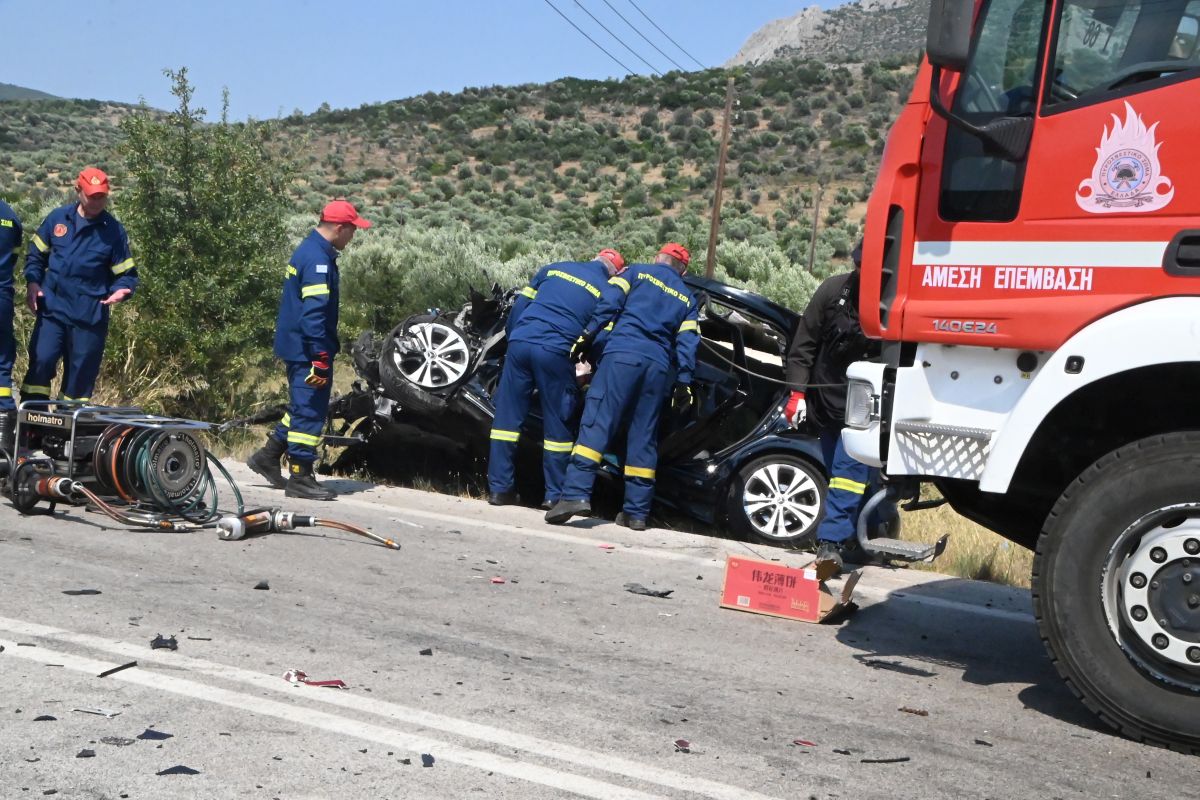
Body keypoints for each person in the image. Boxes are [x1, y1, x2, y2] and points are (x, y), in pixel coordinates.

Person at [545, 243, 699, 531]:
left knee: (598, 420)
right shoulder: (687, 298)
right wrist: (684, 382)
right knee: (643, 435)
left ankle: (575, 495)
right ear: (683, 271)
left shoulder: (636, 273)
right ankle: (636, 513)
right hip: (656, 369)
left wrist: (587, 335)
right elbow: (688, 343)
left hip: (622, 356)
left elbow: (609, 303)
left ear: (657, 258)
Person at [246, 199, 371, 500]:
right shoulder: (317, 260)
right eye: (352, 229)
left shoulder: (310, 250)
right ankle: (300, 476)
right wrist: (320, 356)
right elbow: (313, 314)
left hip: (299, 346)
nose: (353, 235)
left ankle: (268, 455)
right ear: (339, 228)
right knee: (310, 410)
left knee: (304, 405)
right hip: (308, 350)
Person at [487, 248, 627, 508]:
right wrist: (592, 364)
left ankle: (499, 490)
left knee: (506, 422)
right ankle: (554, 496)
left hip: (521, 343)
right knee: (558, 425)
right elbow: (602, 336)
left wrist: (515, 338)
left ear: (595, 258)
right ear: (616, 273)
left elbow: (520, 307)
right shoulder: (608, 289)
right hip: (556, 352)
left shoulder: (555, 267)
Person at [782, 242, 883, 569]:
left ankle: (831, 543)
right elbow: (803, 347)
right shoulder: (832, 291)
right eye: (860, 267)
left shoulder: (893, 299)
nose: (864, 274)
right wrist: (796, 393)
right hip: (826, 400)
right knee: (843, 475)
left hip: (866, 404)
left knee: (847, 473)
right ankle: (866, 539)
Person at [21, 167, 137, 408]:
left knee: (78, 382)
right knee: (41, 362)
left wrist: (122, 290)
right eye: (92, 196)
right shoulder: (57, 219)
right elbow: (35, 256)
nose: (97, 201)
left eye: (101, 196)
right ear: (78, 191)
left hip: (89, 317)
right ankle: (30, 423)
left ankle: (66, 427)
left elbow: (126, 275)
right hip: (52, 310)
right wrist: (32, 282)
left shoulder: (114, 231)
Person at [0, 199, 22, 453]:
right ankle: (3, 434)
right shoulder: (9, 215)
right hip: (2, 296)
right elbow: (13, 256)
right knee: (2, 360)